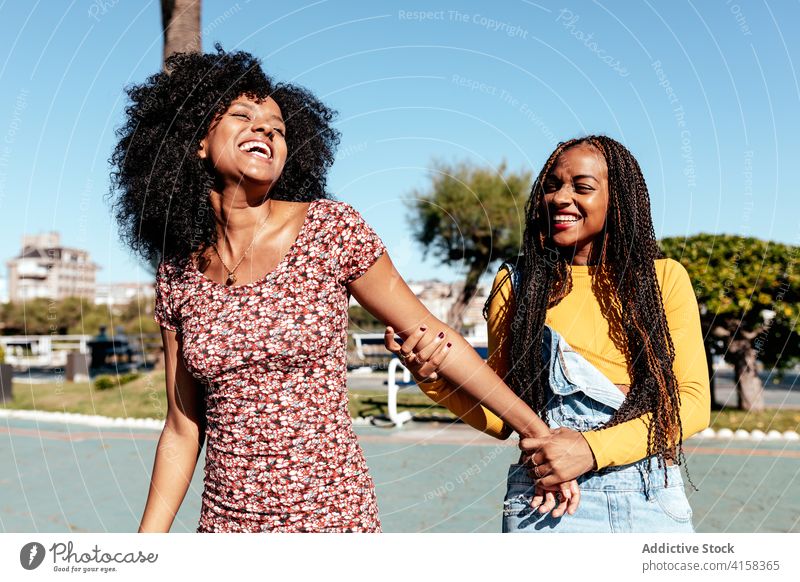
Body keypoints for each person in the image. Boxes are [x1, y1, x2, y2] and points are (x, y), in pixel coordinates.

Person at [109, 45, 580, 533]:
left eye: (277, 128)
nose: (265, 130)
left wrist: (537, 433)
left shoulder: (331, 230)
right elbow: (184, 427)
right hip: (226, 528)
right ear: (197, 143)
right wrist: (149, 548)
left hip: (333, 520)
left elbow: (436, 337)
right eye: (243, 116)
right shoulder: (177, 276)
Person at [385, 135, 711, 532]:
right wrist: (432, 378)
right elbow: (500, 414)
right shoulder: (517, 283)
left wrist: (589, 450)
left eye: (582, 187)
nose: (560, 198)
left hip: (646, 495)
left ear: (619, 201)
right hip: (545, 501)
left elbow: (691, 404)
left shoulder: (664, 278)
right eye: (552, 186)